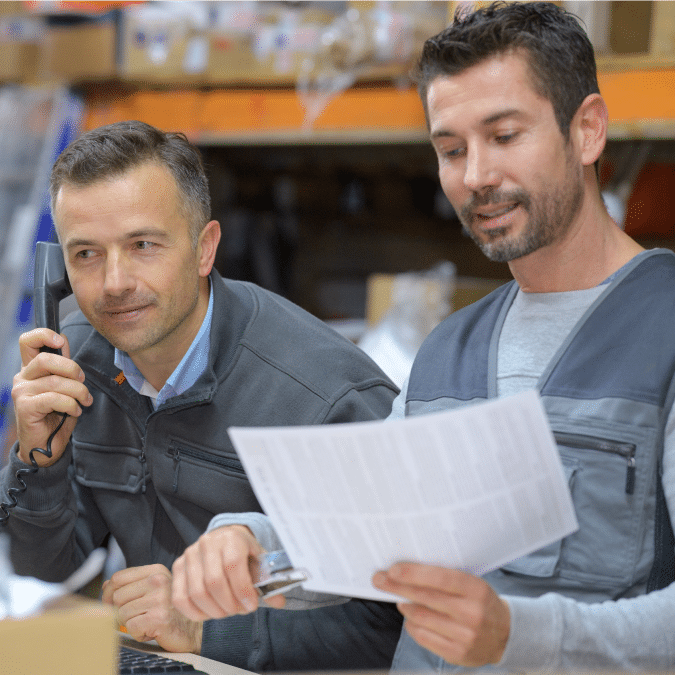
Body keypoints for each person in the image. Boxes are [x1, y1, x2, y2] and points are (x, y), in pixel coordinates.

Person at [169, 1, 675, 672]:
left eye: (503, 135)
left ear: (585, 131)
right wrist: (250, 542)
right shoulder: (448, 350)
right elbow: (365, 539)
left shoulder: (661, 330)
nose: (475, 177)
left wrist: (516, 634)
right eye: (450, 148)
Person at [0, 120, 405, 671]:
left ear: (204, 248)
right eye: (86, 255)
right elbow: (46, 570)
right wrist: (36, 458)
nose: (114, 282)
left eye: (142, 245)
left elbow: (394, 626)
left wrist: (207, 630)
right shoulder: (77, 364)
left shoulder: (326, 398)